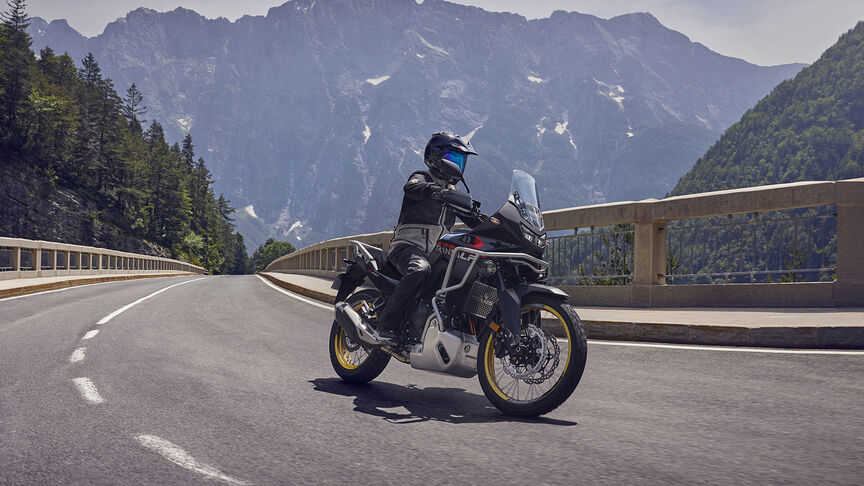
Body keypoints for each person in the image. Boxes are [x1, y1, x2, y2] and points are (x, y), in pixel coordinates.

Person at [376, 131, 482, 341]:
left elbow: (474, 220)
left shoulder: (453, 192)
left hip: (436, 254)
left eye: (460, 161)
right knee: (419, 270)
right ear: (435, 156)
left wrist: (494, 226)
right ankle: (387, 324)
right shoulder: (422, 178)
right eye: (452, 158)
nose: (457, 165)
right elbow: (411, 187)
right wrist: (435, 192)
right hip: (406, 248)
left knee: (465, 275)